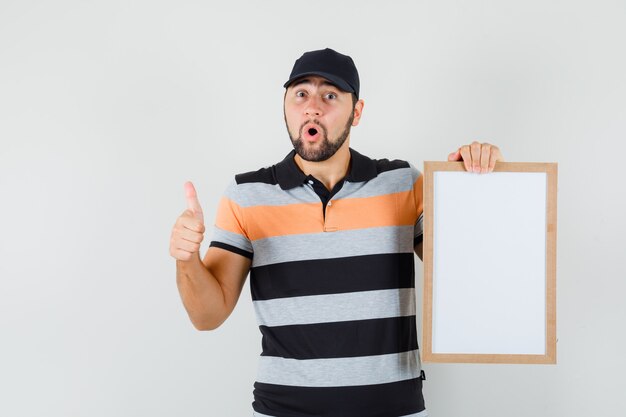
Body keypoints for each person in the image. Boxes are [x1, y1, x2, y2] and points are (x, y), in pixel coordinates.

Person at [169, 48, 503, 417]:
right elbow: (207, 316)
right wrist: (187, 260)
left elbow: (467, 276)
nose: (312, 107)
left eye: (330, 95)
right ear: (285, 105)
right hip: (284, 408)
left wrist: (472, 187)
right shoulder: (246, 195)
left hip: (393, 406)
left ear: (356, 112)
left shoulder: (402, 183)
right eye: (301, 94)